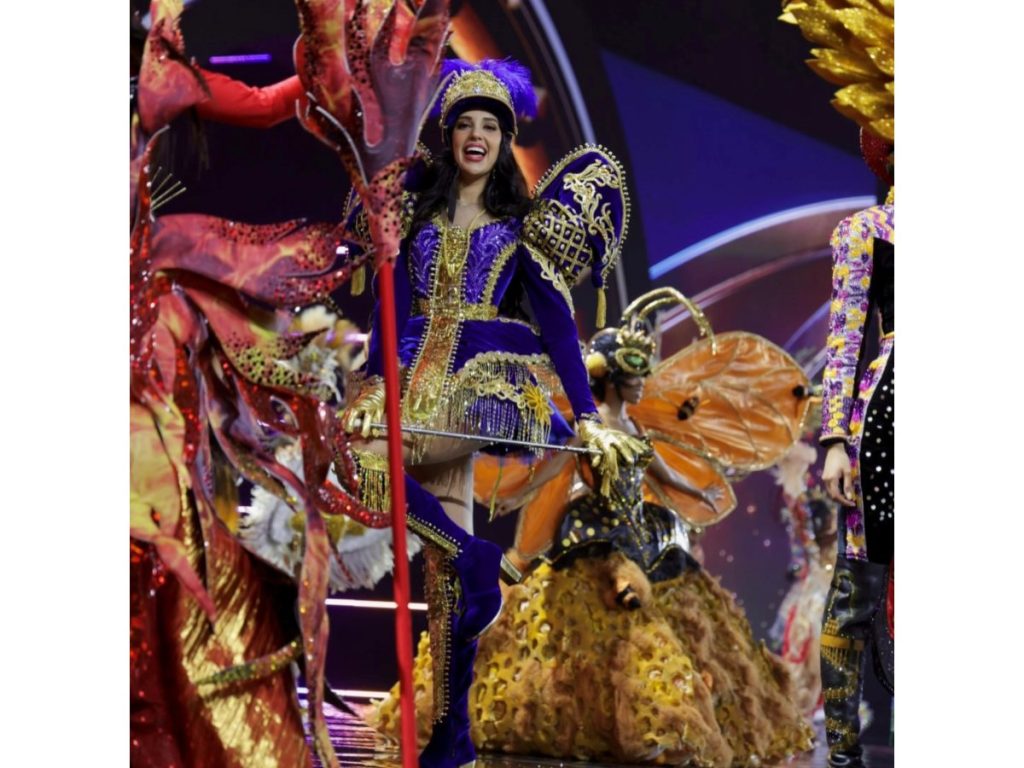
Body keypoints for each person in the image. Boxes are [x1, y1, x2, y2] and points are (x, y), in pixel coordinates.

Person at [339, 58, 644, 768]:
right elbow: (385, 309)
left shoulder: (521, 228)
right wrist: (373, 382)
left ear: (506, 141)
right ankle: (456, 727)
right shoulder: (413, 215)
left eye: (490, 125)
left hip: (474, 388)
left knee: (437, 563)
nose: (476, 136)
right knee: (427, 553)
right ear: (448, 137)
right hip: (411, 379)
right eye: (465, 124)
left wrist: (591, 412)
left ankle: (455, 711)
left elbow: (558, 324)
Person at [371, 295, 815, 766]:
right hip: (594, 534)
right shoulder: (590, 428)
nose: (643, 384)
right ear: (614, 379)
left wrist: (699, 492)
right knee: (616, 615)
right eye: (635, 376)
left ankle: (675, 711)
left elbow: (662, 471)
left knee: (683, 593)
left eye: (643, 375)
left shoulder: (632, 426)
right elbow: (552, 467)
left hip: (640, 529)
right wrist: (522, 476)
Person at [817, 135, 894, 768]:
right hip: (893, 416)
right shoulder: (868, 230)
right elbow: (844, 338)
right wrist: (836, 438)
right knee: (859, 585)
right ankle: (842, 756)